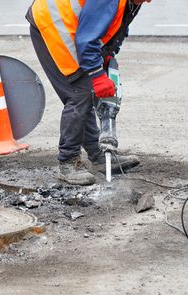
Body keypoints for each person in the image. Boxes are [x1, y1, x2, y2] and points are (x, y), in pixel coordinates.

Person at [26, 0, 152, 185]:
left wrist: (108, 53)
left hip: (73, 27)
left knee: (85, 89)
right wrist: (97, 74)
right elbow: (86, 39)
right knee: (79, 93)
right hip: (53, 26)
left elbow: (117, 27)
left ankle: (97, 156)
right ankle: (68, 162)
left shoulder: (133, 2)